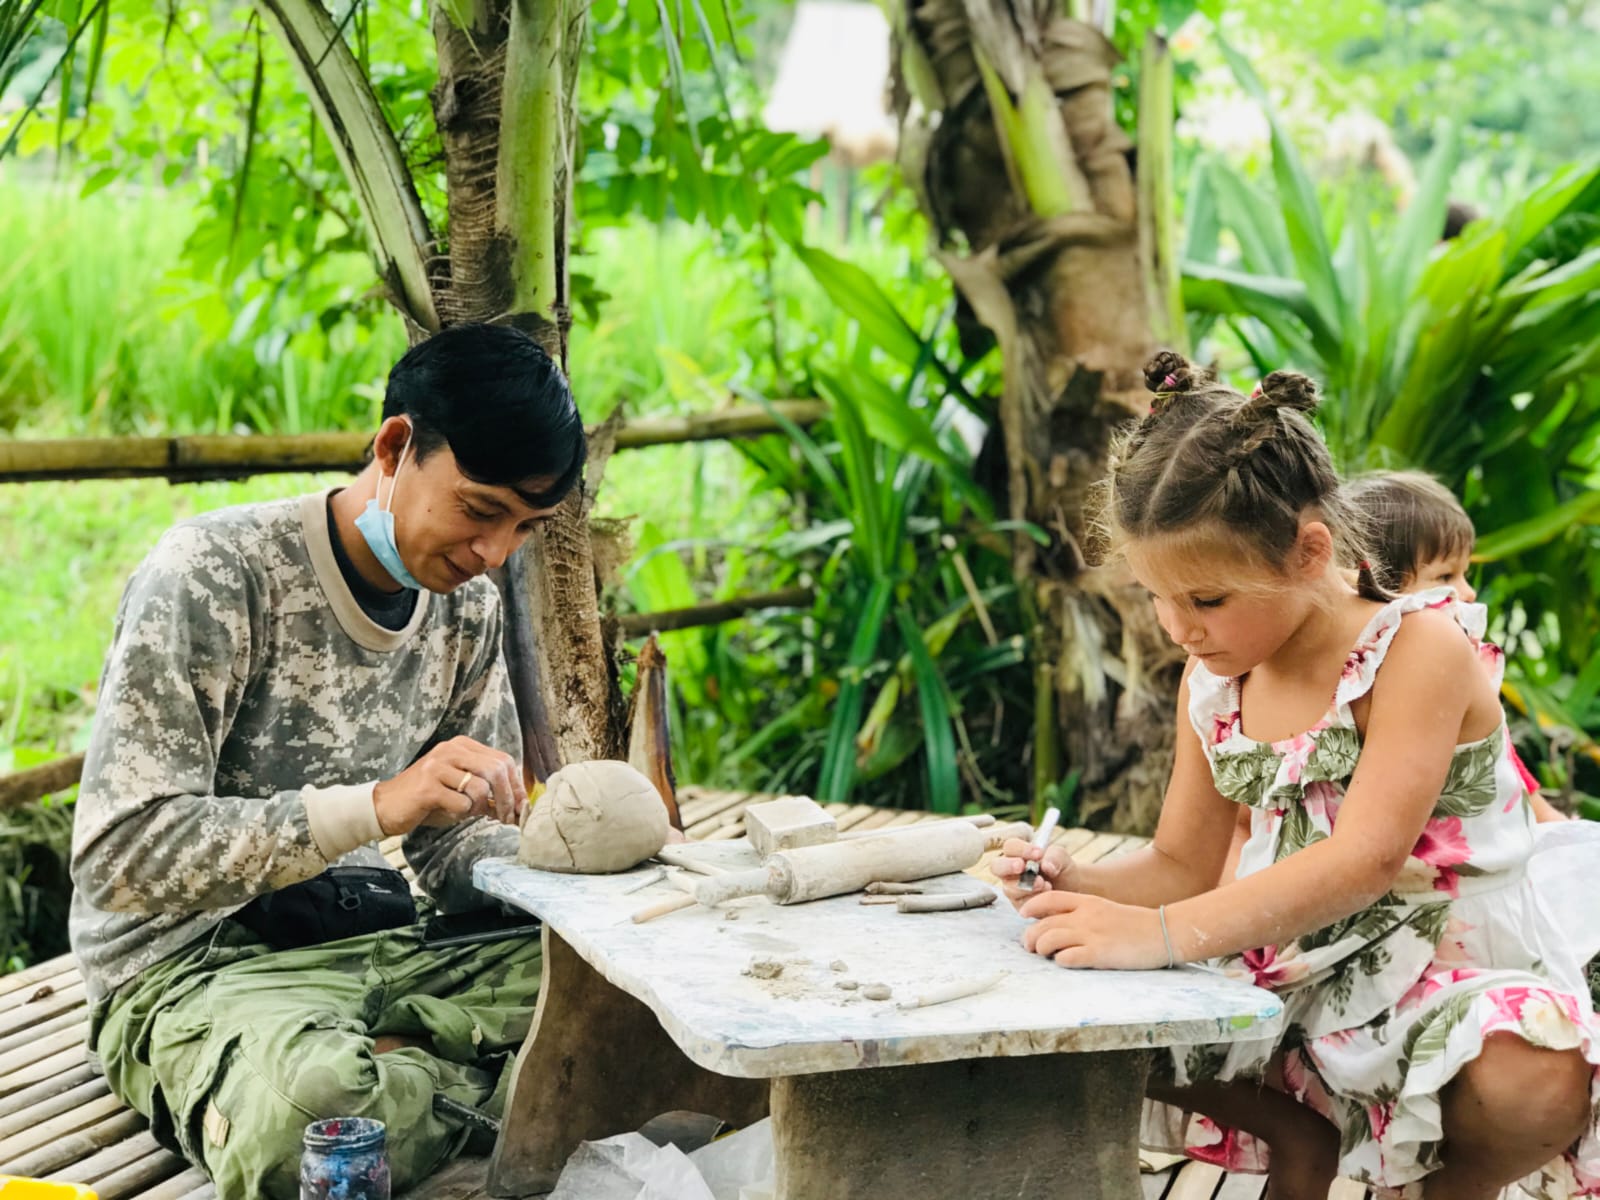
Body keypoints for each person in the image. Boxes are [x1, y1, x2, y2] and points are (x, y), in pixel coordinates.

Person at [995, 353, 1600, 1200]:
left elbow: (1363, 862)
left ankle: (1451, 1190)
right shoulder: (1215, 679)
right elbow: (1180, 864)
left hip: (1441, 967)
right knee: (1056, 1023)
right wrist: (1074, 884)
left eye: (1206, 600)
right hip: (1290, 961)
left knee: (1533, 1071)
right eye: (1156, 597)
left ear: (1309, 552)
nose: (1178, 629)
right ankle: (1292, 1131)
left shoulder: (1417, 650)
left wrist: (1157, 934)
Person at [69, 323, 586, 1198]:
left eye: (524, 527)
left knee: (631, 989)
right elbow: (119, 857)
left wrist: (565, 862)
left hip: (375, 940)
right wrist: (375, 807)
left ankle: (405, 1066)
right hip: (192, 969)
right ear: (394, 446)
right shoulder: (214, 574)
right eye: (478, 510)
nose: (494, 554)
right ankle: (486, 1078)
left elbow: (454, 848)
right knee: (311, 1117)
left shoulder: (467, 610)